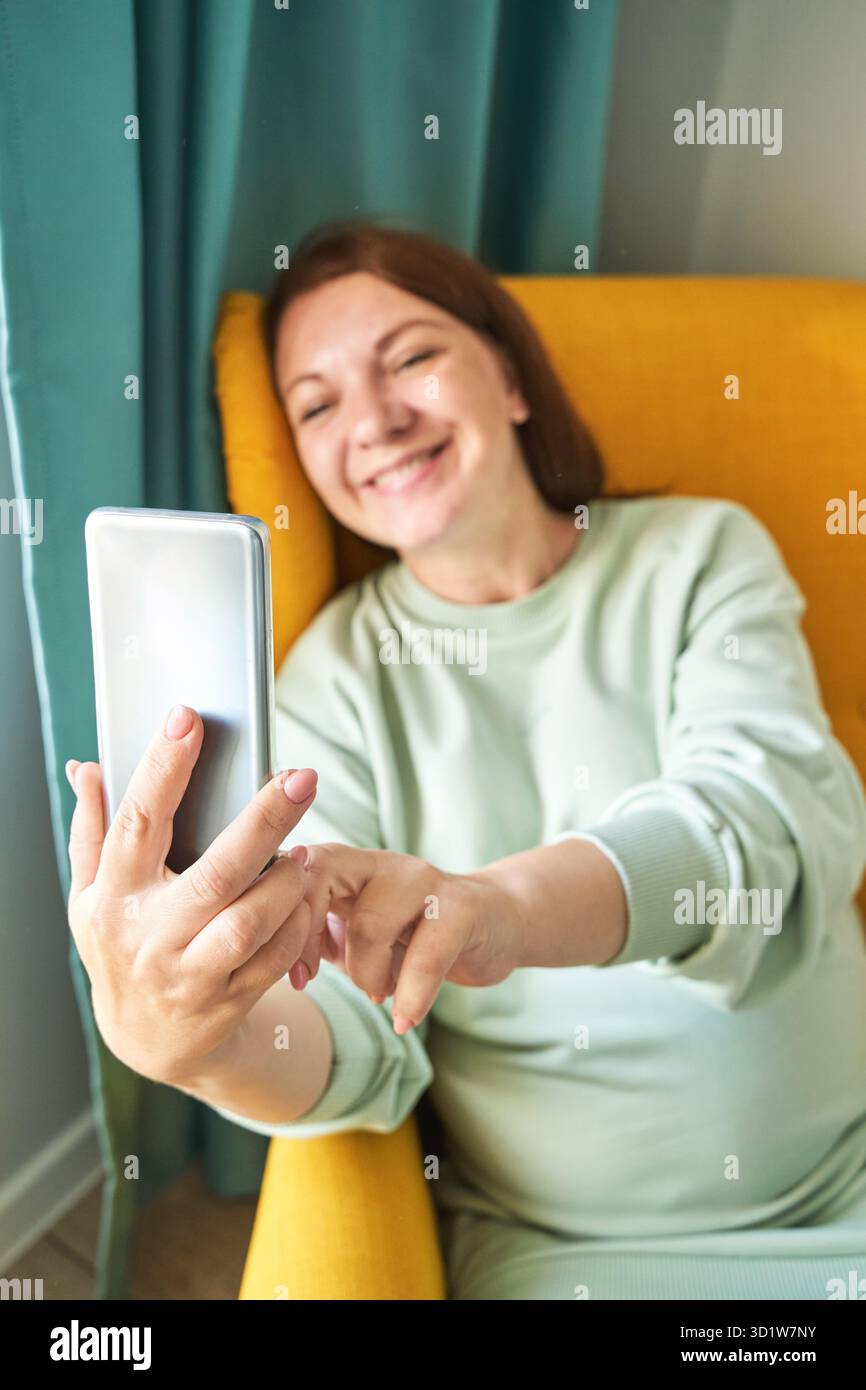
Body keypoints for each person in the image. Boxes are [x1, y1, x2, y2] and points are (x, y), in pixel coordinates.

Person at [66, 220, 866, 1301]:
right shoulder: (334, 685)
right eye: (317, 403)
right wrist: (199, 1045)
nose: (377, 419)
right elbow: (347, 1039)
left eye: (411, 357)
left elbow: (764, 827)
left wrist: (495, 909)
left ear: (510, 375)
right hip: (578, 1260)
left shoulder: (697, 552)